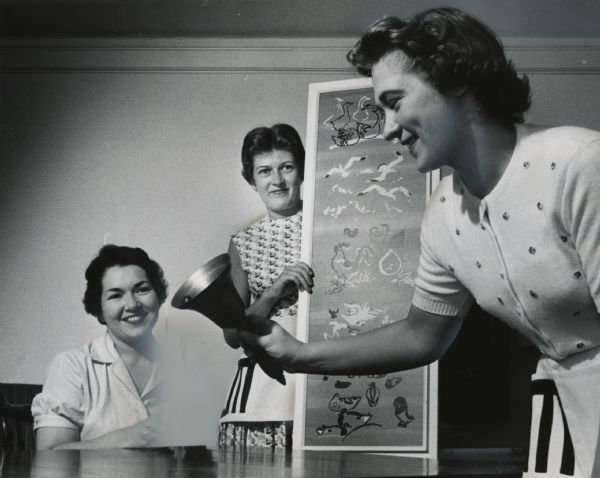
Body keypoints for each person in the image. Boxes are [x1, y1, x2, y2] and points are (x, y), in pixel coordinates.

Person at [238, 7, 600, 478]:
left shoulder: (579, 165)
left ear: (456, 82)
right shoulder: (443, 218)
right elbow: (421, 335)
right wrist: (299, 353)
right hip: (562, 399)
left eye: (395, 101)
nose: (387, 128)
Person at [219, 123, 314, 448]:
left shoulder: (327, 225)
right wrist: (275, 290)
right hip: (265, 389)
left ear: (301, 170)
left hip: (324, 372)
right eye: (264, 171)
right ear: (251, 180)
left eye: (286, 167)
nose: (277, 180)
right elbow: (231, 335)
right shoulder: (243, 242)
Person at [32, 244, 169, 449]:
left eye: (142, 289)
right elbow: (49, 454)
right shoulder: (72, 366)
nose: (132, 304)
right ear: (99, 311)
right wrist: (130, 437)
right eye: (115, 295)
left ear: (158, 298)